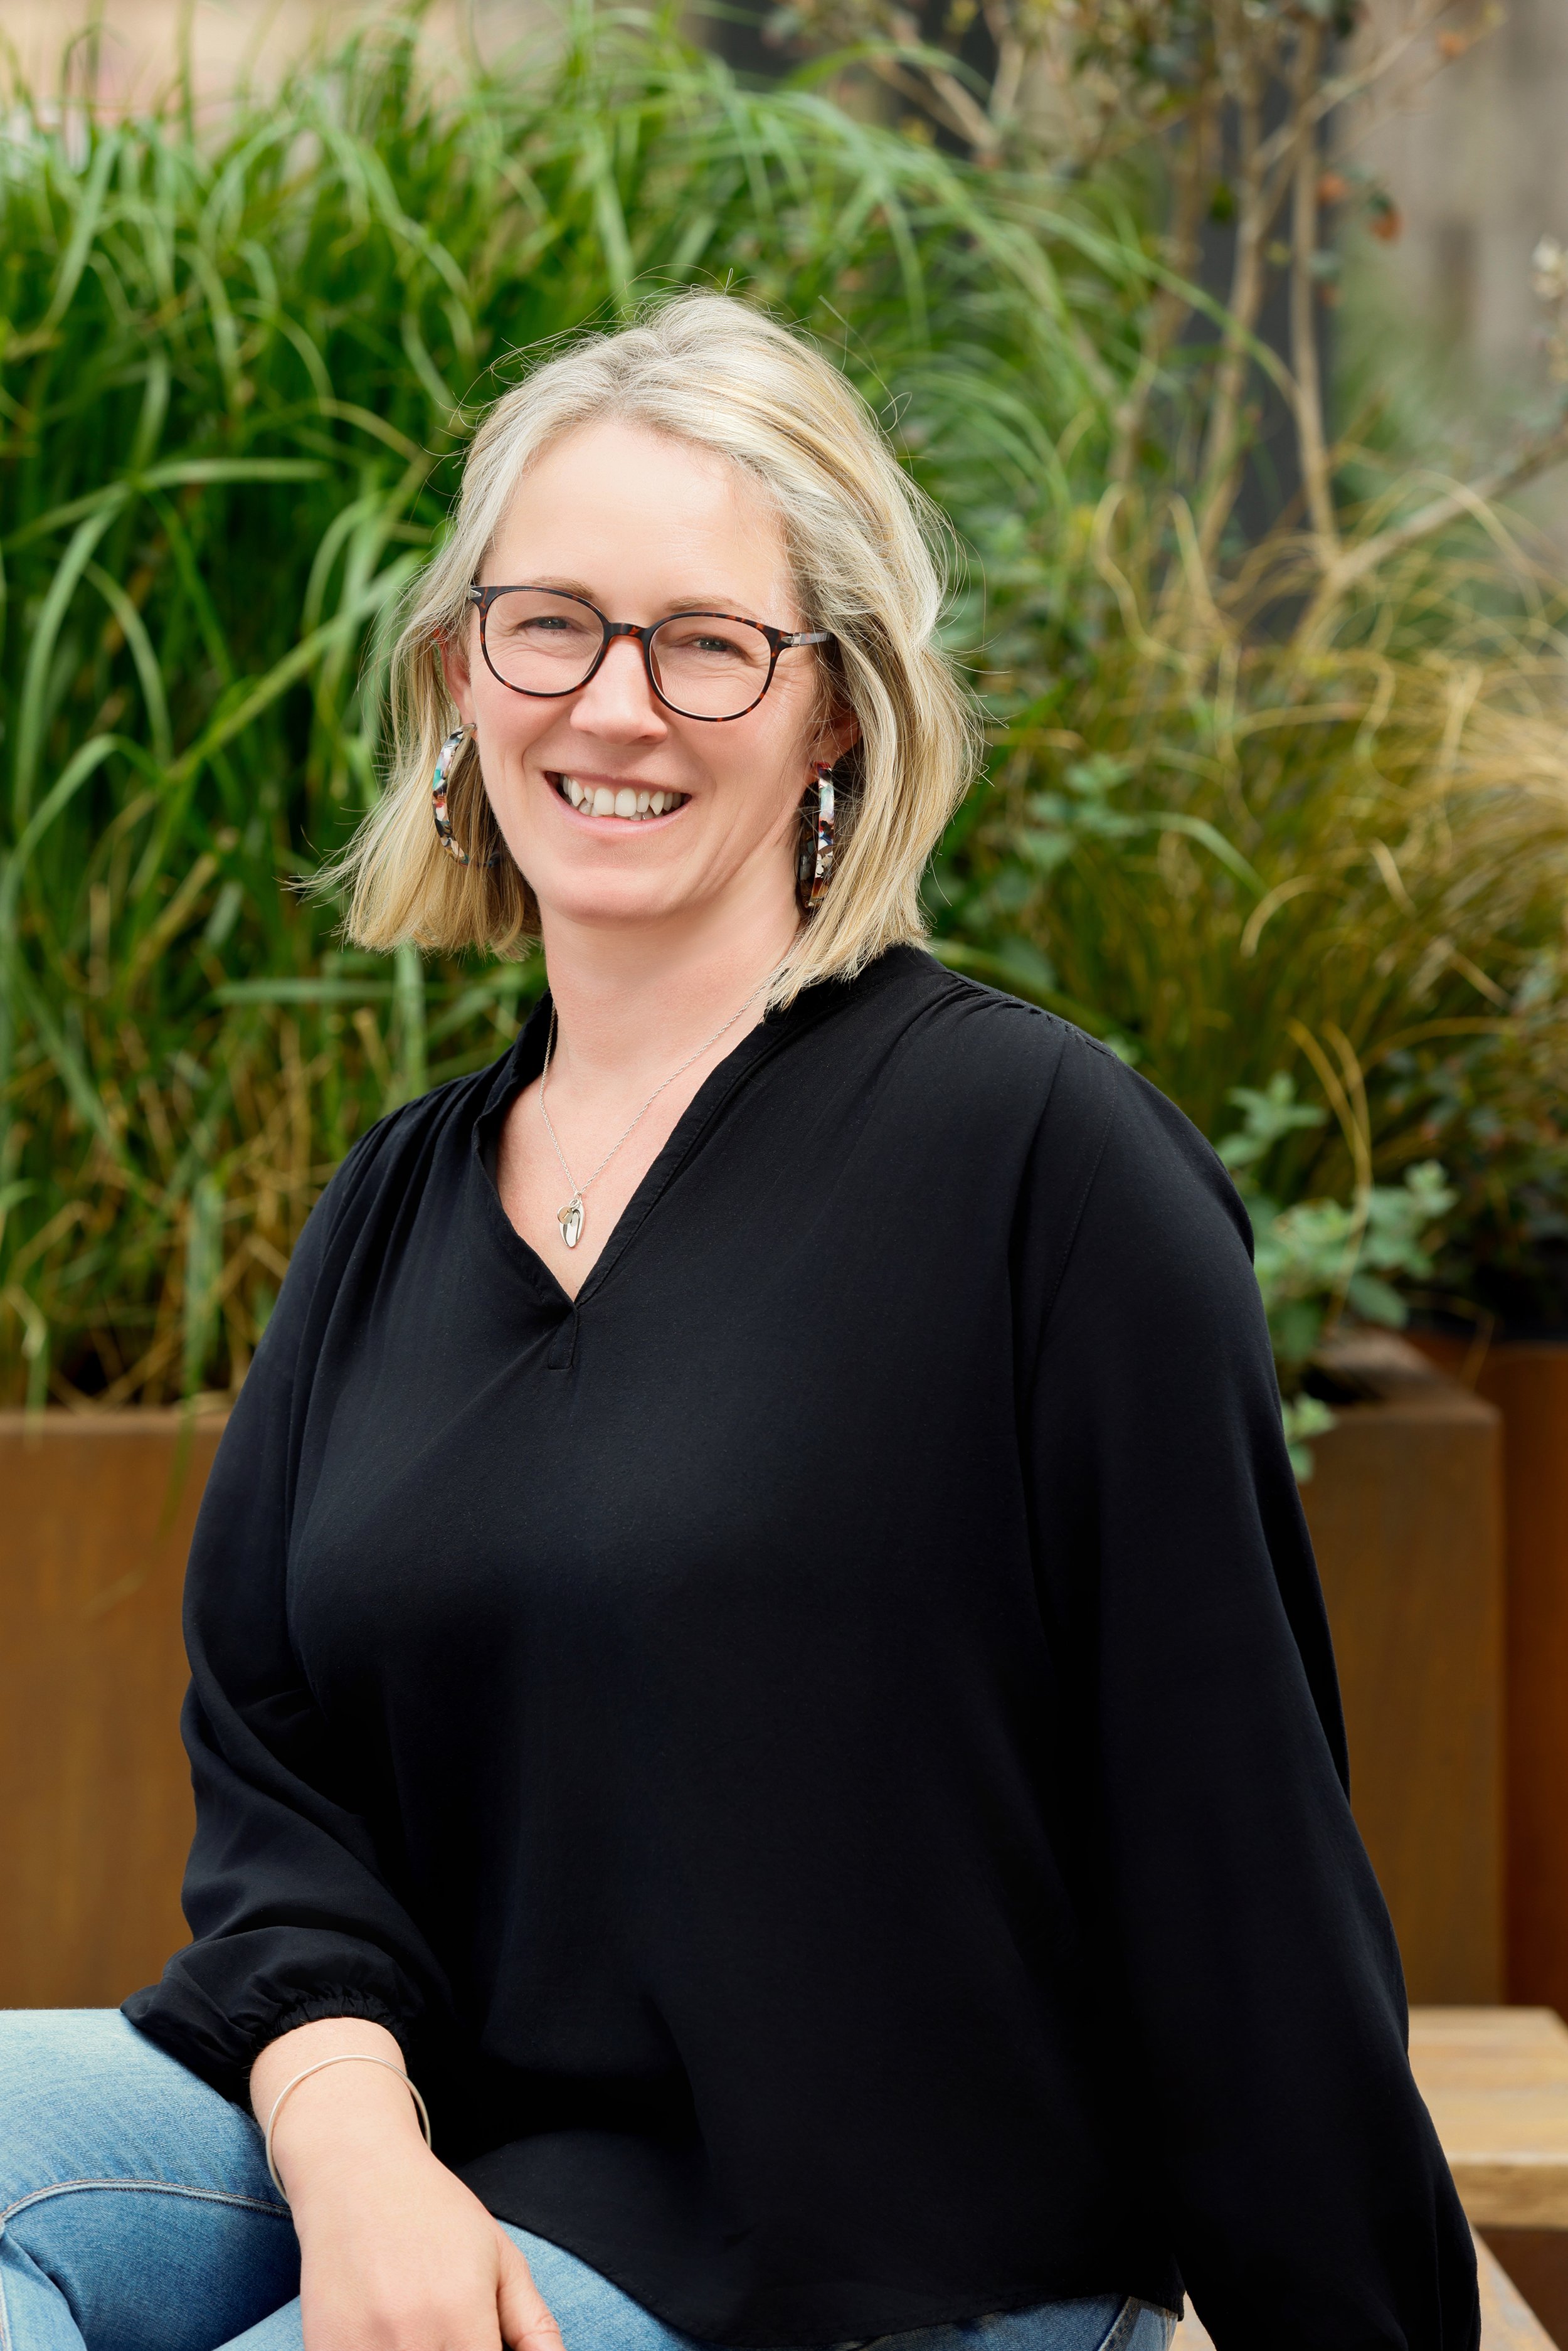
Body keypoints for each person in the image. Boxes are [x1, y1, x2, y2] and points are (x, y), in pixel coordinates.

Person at [0, 293, 1478, 2351]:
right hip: (443, 2149)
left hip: (882, 2261)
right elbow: (281, 1782)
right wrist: (356, 2151)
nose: (614, 706)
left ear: (836, 713)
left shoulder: (1039, 1168)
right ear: (459, 674)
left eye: (706, 643)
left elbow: (1234, 1855)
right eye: (549, 625)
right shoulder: (391, 1211)